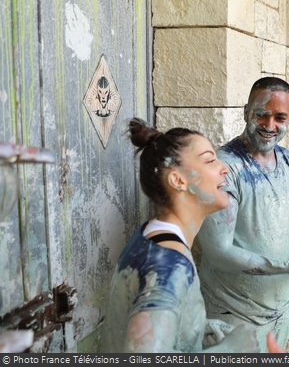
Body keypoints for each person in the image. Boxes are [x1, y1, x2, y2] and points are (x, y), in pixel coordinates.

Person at [101, 118, 271, 353]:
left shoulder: (153, 235)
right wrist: (228, 351)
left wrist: (196, 327)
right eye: (210, 160)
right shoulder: (169, 265)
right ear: (178, 180)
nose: (225, 168)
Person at [197, 77, 289, 352]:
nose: (270, 125)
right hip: (231, 315)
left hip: (281, 309)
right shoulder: (224, 168)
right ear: (246, 112)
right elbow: (218, 251)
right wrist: (288, 268)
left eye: (280, 117)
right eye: (262, 114)